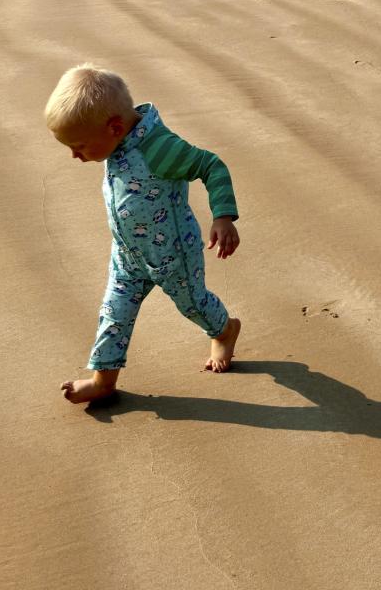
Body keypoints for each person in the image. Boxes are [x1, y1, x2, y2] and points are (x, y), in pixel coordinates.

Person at [44, 64, 241, 403]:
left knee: (193, 305)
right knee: (113, 314)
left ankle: (225, 330)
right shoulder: (114, 138)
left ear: (115, 127)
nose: (74, 156)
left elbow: (211, 165)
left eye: (78, 147)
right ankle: (103, 380)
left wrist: (222, 216)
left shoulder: (161, 149)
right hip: (127, 255)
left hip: (172, 255)